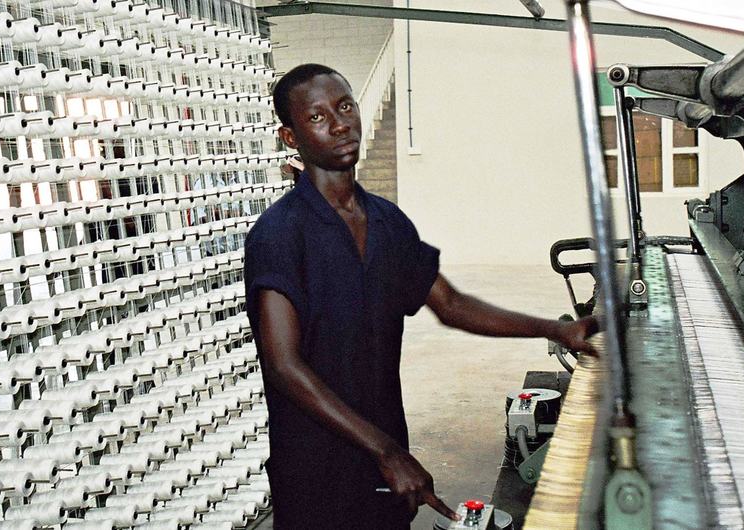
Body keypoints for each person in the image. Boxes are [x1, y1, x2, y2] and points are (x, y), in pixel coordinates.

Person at [245, 63, 598, 530]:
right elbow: (285, 367)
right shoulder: (279, 235)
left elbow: (450, 305)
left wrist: (556, 329)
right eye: (317, 117)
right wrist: (387, 451)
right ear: (290, 138)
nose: (340, 123)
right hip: (316, 468)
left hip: (387, 456)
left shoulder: (388, 223)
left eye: (345, 106)